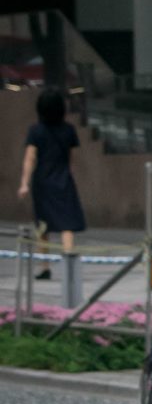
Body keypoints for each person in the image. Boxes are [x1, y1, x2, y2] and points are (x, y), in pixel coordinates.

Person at [17, 88, 85, 280]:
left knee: (43, 226)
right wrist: (68, 174)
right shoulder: (69, 130)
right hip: (63, 180)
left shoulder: (36, 130)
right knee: (67, 224)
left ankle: (44, 266)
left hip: (43, 181)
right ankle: (69, 266)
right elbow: (71, 158)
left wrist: (24, 183)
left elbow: (30, 158)